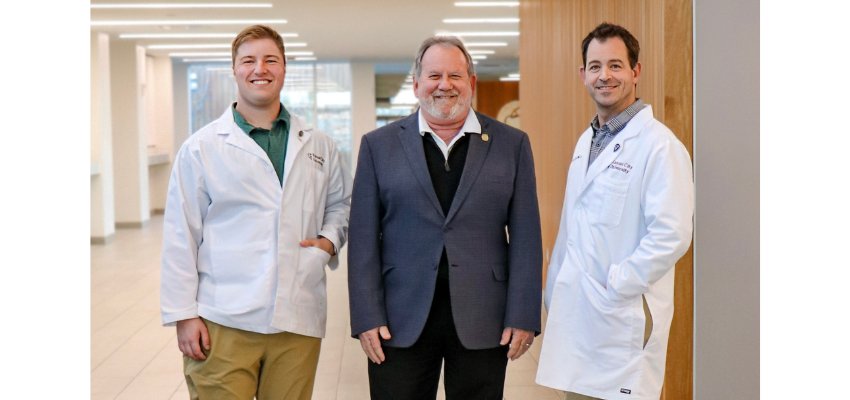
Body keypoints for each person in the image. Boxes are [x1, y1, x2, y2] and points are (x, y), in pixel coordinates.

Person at [160, 24, 351, 400]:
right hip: (223, 318)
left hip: (297, 318)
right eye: (248, 60)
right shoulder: (202, 148)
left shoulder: (320, 144)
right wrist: (184, 313)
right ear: (234, 69)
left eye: (270, 60)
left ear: (283, 69)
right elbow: (180, 233)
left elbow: (340, 203)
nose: (259, 68)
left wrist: (328, 241)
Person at [347, 36, 543, 400]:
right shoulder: (379, 146)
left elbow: (527, 238)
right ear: (417, 84)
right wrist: (366, 316)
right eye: (434, 75)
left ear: (471, 83)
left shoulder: (511, 144)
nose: (444, 85)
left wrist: (523, 314)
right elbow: (362, 240)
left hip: (484, 317)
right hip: (399, 319)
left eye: (455, 75)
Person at [535, 23, 694, 400]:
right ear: (583, 75)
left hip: (622, 314)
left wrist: (620, 281)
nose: (604, 76)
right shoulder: (587, 141)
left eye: (615, 65)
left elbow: (672, 234)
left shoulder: (659, 147)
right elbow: (576, 224)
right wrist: (555, 284)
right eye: (594, 66)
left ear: (636, 72)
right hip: (579, 316)